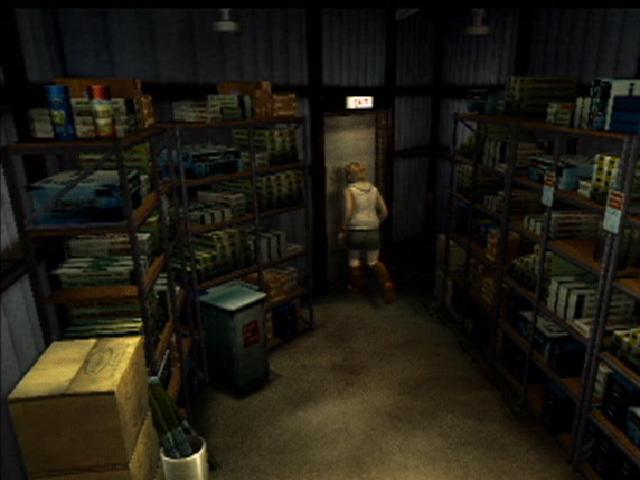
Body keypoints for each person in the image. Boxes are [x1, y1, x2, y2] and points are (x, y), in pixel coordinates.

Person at [339, 162, 396, 304]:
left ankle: (357, 287)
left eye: (347, 174)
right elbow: (384, 212)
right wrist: (375, 222)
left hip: (355, 231)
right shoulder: (374, 189)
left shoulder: (350, 190)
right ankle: (387, 285)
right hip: (373, 231)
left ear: (350, 175)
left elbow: (348, 211)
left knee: (353, 260)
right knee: (373, 262)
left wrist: (344, 228)